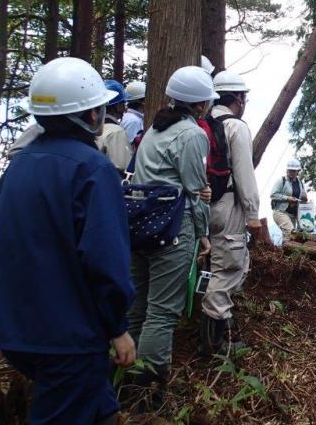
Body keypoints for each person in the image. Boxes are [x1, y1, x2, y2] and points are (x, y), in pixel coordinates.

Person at [0, 57, 136, 425]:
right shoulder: (92, 169)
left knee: (98, 405)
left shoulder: (20, 164)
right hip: (67, 336)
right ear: (93, 114)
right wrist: (117, 328)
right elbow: (105, 261)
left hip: (13, 327)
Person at [126, 66, 215, 406]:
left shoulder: (154, 129)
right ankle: (148, 392)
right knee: (162, 312)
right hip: (172, 229)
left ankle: (123, 381)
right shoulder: (193, 135)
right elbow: (195, 190)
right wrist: (204, 233)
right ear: (201, 104)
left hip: (139, 226)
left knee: (136, 310)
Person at [200, 70, 262, 356]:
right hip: (228, 206)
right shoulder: (236, 127)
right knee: (227, 269)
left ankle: (217, 333)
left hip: (203, 205)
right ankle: (215, 347)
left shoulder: (203, 123)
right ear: (238, 97)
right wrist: (252, 214)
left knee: (211, 266)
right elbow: (244, 175)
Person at [97, 79, 133, 174]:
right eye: (123, 103)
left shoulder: (92, 128)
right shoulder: (116, 132)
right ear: (117, 106)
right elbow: (123, 167)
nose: (125, 108)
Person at [270, 159, 307, 240]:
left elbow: (302, 198)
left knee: (288, 239)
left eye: (294, 171)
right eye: (290, 170)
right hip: (281, 212)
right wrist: (287, 198)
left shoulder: (300, 183)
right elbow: (273, 195)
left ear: (298, 171)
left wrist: (305, 198)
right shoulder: (281, 180)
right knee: (291, 233)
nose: (291, 172)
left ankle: (284, 252)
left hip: (293, 215)